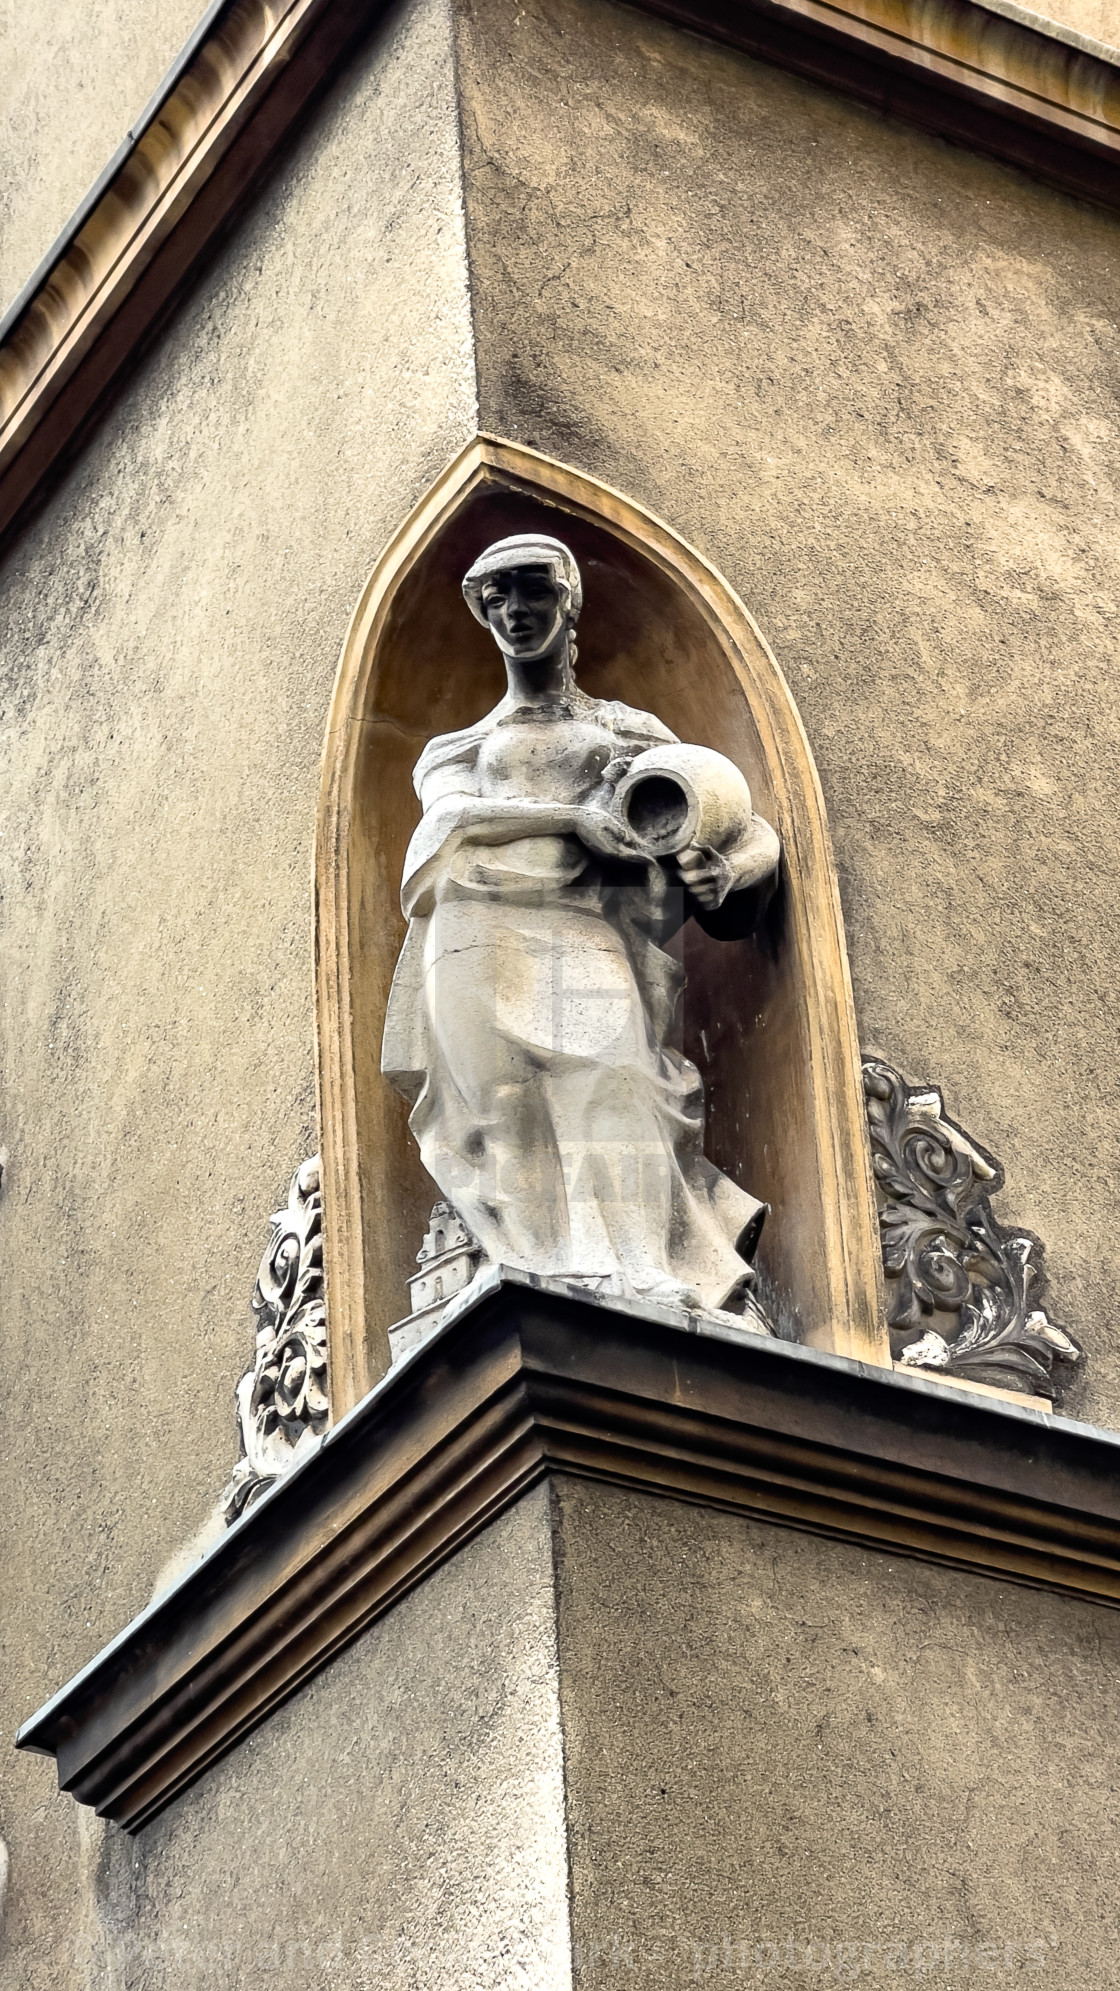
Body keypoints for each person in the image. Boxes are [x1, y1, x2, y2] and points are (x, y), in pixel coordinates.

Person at [381, 533, 780, 1318]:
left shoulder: (629, 731)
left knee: (616, 1081)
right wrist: (576, 819)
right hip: (476, 933)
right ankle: (539, 1271)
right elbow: (443, 829)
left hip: (586, 930)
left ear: (570, 604)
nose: (516, 613)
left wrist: (721, 874)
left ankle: (639, 1272)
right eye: (497, 599)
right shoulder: (456, 748)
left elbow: (740, 829)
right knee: (503, 1106)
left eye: (534, 592)